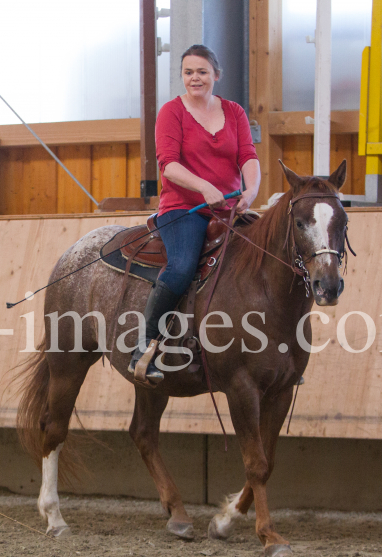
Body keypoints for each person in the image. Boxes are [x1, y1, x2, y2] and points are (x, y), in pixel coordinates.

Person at [129, 45, 261, 382]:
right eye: (188, 72)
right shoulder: (171, 112)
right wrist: (203, 187)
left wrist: (251, 189)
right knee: (182, 266)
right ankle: (143, 345)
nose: (194, 78)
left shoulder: (234, 113)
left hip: (228, 210)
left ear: (216, 75)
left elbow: (247, 154)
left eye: (201, 71)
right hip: (185, 208)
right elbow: (168, 165)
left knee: (266, 253)